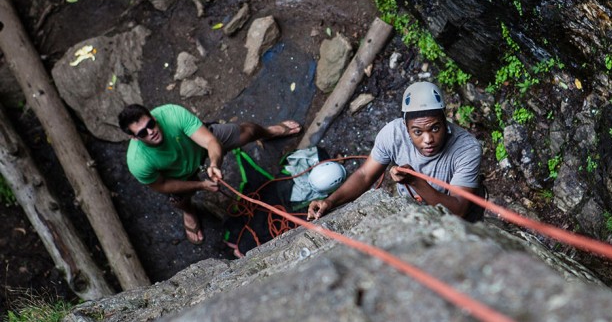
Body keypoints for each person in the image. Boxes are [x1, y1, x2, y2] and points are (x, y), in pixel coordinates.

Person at [118, 103, 301, 245]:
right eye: (143, 132)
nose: (151, 132)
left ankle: (269, 131)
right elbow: (163, 185)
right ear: (134, 137)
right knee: (179, 198)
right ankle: (189, 212)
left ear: (153, 117)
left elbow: (210, 140)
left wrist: (214, 163)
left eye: (151, 124)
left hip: (197, 145)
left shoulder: (172, 114)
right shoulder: (138, 162)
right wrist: (201, 185)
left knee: (248, 131)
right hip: (178, 175)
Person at [307, 81, 482, 221]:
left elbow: (458, 210)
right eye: (418, 132)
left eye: (435, 128)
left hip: (454, 217)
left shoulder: (466, 149)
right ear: (406, 128)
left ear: (445, 121)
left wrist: (415, 181)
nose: (428, 140)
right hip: (410, 209)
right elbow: (364, 175)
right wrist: (330, 201)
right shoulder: (393, 133)